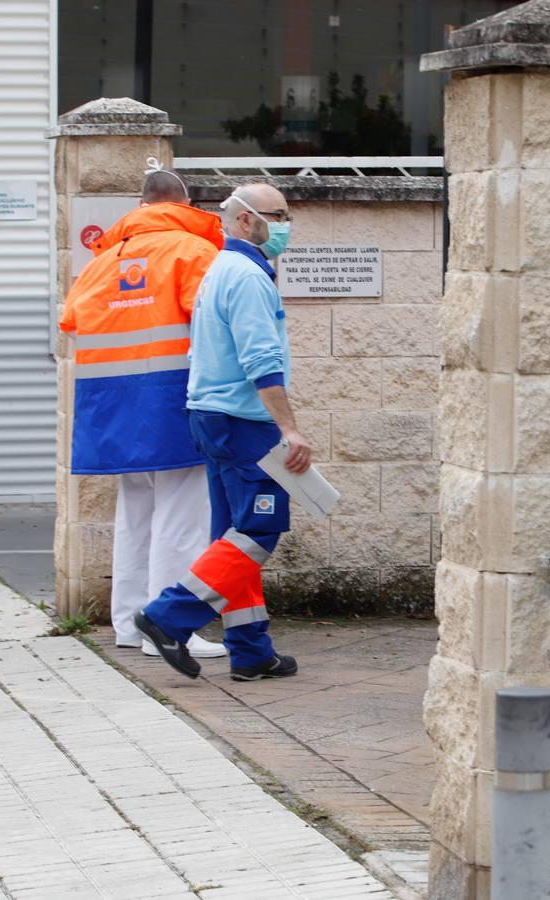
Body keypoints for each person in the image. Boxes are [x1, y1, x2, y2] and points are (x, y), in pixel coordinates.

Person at [134, 182, 310, 682]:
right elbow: (261, 359)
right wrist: (290, 429)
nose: (286, 225)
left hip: (212, 417)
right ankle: (167, 617)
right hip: (243, 422)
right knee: (259, 530)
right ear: (247, 220)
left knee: (231, 537)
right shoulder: (249, 277)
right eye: (278, 216)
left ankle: (251, 650)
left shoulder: (222, 268)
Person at [58, 161, 227, 660]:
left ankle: (130, 624)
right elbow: (213, 319)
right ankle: (169, 625)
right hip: (172, 398)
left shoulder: (104, 259)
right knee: (183, 515)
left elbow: (71, 321)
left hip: (111, 402)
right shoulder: (194, 250)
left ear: (141, 206)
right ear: (186, 206)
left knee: (136, 515)